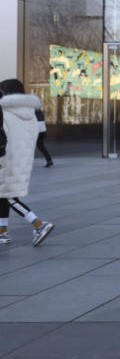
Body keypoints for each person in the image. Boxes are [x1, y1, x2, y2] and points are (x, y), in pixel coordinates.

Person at [0, 79, 55, 246]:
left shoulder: (6, 112)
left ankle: (39, 224)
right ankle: (2, 233)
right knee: (4, 196)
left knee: (7, 196)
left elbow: (3, 137)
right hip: (21, 160)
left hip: (6, 159)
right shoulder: (30, 113)